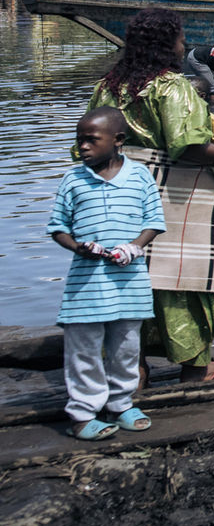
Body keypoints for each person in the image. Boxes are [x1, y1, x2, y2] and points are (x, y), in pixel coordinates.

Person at [88, 7, 214, 383]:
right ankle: (196, 369)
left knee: (127, 280)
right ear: (167, 46)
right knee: (180, 279)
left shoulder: (108, 87)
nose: (184, 45)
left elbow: (86, 146)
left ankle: (134, 368)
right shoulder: (172, 88)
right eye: (181, 39)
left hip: (115, 203)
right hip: (166, 203)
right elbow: (189, 147)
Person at [50, 108, 164, 440]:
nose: (83, 146)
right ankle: (83, 414)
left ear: (117, 141)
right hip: (86, 284)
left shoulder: (139, 176)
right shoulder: (73, 179)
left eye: (91, 140)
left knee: (126, 346)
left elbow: (153, 221)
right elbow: (58, 228)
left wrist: (134, 247)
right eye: (79, 140)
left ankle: (120, 403)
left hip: (129, 281)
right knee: (83, 347)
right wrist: (77, 247)